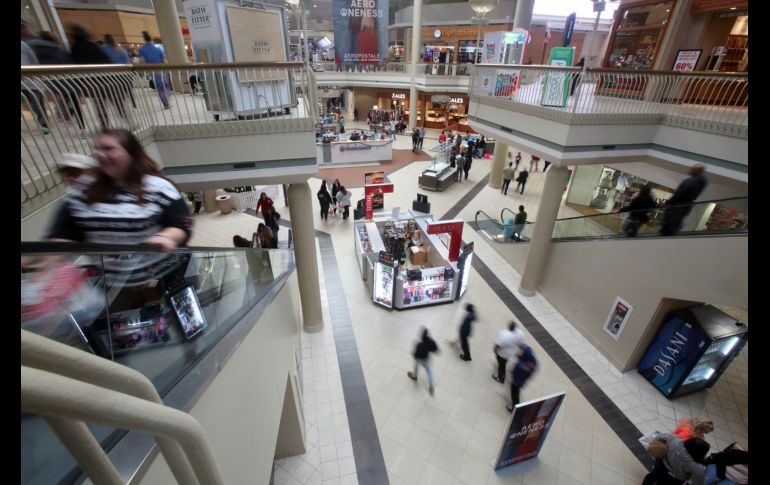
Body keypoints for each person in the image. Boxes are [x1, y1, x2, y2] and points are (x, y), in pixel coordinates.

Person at [70, 24, 126, 128]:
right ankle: (126, 119)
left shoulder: (75, 48)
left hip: (91, 83)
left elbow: (75, 65)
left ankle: (105, 125)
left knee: (100, 105)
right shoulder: (93, 46)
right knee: (116, 101)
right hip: (106, 80)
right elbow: (107, 61)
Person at [642, 434, 709, 485]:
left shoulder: (675, 439)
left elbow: (659, 437)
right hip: (673, 479)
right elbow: (698, 482)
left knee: (652, 476)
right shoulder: (697, 466)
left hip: (660, 464)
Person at [660, 164, 707, 236]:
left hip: (675, 209)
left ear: (696, 171)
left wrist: (668, 202)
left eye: (692, 169)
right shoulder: (702, 182)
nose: (690, 170)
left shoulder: (689, 181)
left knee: (667, 228)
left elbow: (678, 194)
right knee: (672, 229)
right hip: (684, 209)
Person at [21, 23, 50, 135]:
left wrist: (36, 74)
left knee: (37, 104)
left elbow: (33, 61)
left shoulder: (23, 46)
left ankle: (44, 124)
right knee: (31, 104)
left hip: (31, 81)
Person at [138, 31, 170, 109]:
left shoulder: (142, 49)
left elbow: (142, 61)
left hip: (152, 70)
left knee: (160, 86)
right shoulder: (159, 49)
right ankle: (167, 100)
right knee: (166, 85)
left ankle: (165, 103)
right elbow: (164, 60)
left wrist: (141, 72)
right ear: (151, 39)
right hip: (162, 68)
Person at [407, 327, 439, 396]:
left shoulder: (419, 345)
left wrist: (414, 355)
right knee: (429, 372)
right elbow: (435, 349)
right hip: (427, 359)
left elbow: (416, 354)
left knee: (416, 366)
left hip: (420, 359)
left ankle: (414, 376)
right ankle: (431, 386)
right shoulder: (430, 342)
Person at [507, 344, 537, 412]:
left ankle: (514, 407)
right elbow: (525, 349)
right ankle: (515, 404)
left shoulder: (526, 366)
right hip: (520, 380)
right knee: (516, 392)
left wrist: (514, 378)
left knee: (514, 393)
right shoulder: (532, 360)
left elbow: (519, 372)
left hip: (517, 381)